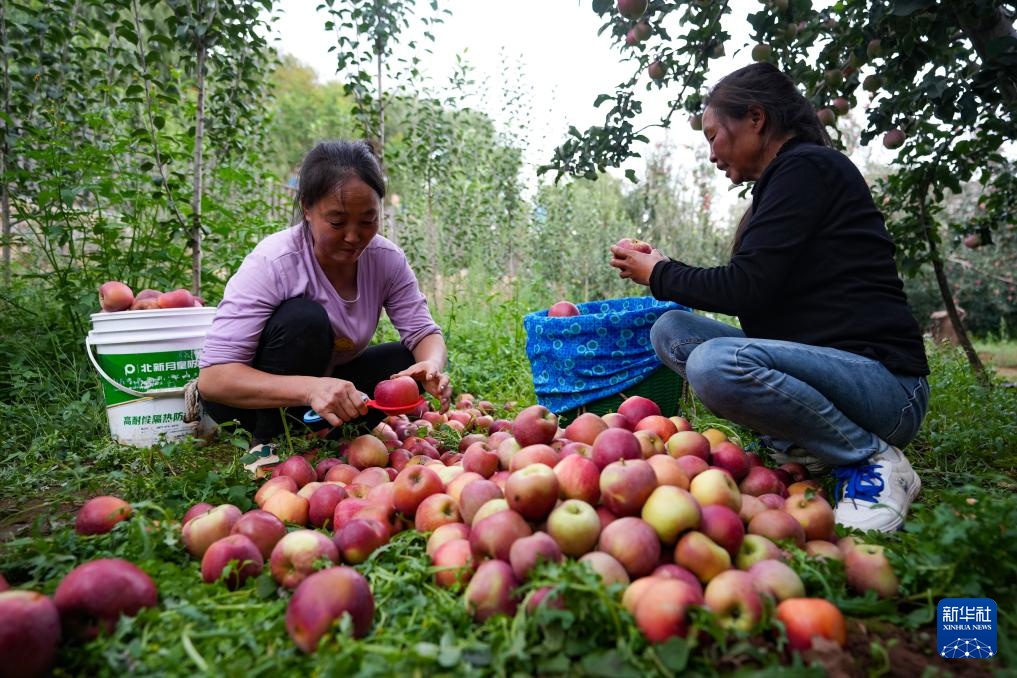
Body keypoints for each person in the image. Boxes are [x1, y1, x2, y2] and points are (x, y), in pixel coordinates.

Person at [609, 63, 930, 533]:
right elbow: (754, 288)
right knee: (672, 331)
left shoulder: (807, 168)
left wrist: (659, 273)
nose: (712, 153)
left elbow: (745, 287)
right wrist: (663, 267)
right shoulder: (782, 184)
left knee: (712, 364)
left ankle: (873, 459)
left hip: (886, 388)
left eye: (714, 135)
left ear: (756, 119)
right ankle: (806, 443)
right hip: (831, 376)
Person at [198, 140, 451, 469]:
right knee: (304, 320)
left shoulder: (386, 259)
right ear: (307, 207)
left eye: (367, 221)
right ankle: (264, 446)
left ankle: (318, 444)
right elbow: (214, 380)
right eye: (337, 222)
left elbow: (422, 333)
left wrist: (431, 363)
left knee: (405, 363)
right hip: (249, 405)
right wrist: (309, 389)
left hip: (322, 397)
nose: (353, 236)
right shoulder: (274, 261)